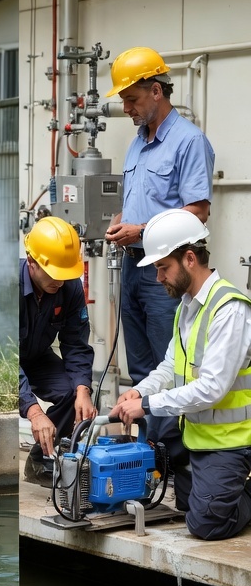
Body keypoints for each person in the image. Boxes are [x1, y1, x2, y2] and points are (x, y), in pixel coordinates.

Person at [102, 46, 215, 483]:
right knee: (141, 369)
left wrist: (141, 231)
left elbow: (197, 212)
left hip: (165, 273)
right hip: (133, 267)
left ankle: (175, 468)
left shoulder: (188, 142)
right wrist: (121, 225)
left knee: (168, 370)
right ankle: (152, 461)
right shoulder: (136, 145)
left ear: (155, 90)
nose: (126, 109)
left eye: (131, 100)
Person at [111, 209, 251, 541]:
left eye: (163, 267)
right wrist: (139, 391)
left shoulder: (229, 310)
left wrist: (147, 405)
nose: (158, 278)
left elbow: (212, 389)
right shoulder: (187, 307)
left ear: (190, 258)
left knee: (205, 524)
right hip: (199, 436)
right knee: (188, 506)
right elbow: (168, 367)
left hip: (232, 442)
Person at [19, 217, 97, 484]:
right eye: (55, 275)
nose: (61, 283)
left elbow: (75, 343)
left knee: (72, 393)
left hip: (37, 357)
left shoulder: (69, 286)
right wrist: (34, 411)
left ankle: (40, 461)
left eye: (66, 275)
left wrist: (83, 390)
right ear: (32, 262)